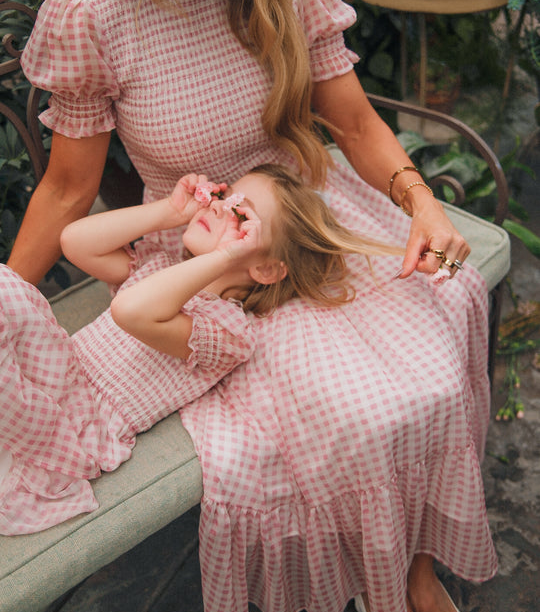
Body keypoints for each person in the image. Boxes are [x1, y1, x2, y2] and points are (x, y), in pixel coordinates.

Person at [8, 0, 496, 612]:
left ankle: (418, 578)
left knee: (438, 354)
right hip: (208, 255)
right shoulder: (92, 11)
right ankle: (387, 596)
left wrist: (421, 203)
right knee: (360, 411)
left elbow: (353, 121)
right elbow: (67, 189)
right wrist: (12, 314)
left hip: (309, 214)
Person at [1, 162, 397, 534]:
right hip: (46, 383)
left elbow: (130, 310)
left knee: (8, 292)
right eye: (227, 197)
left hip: (73, 423)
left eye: (242, 217)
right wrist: (170, 212)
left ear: (265, 268)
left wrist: (227, 254)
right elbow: (74, 241)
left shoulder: (226, 331)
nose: (222, 209)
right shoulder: (161, 269)